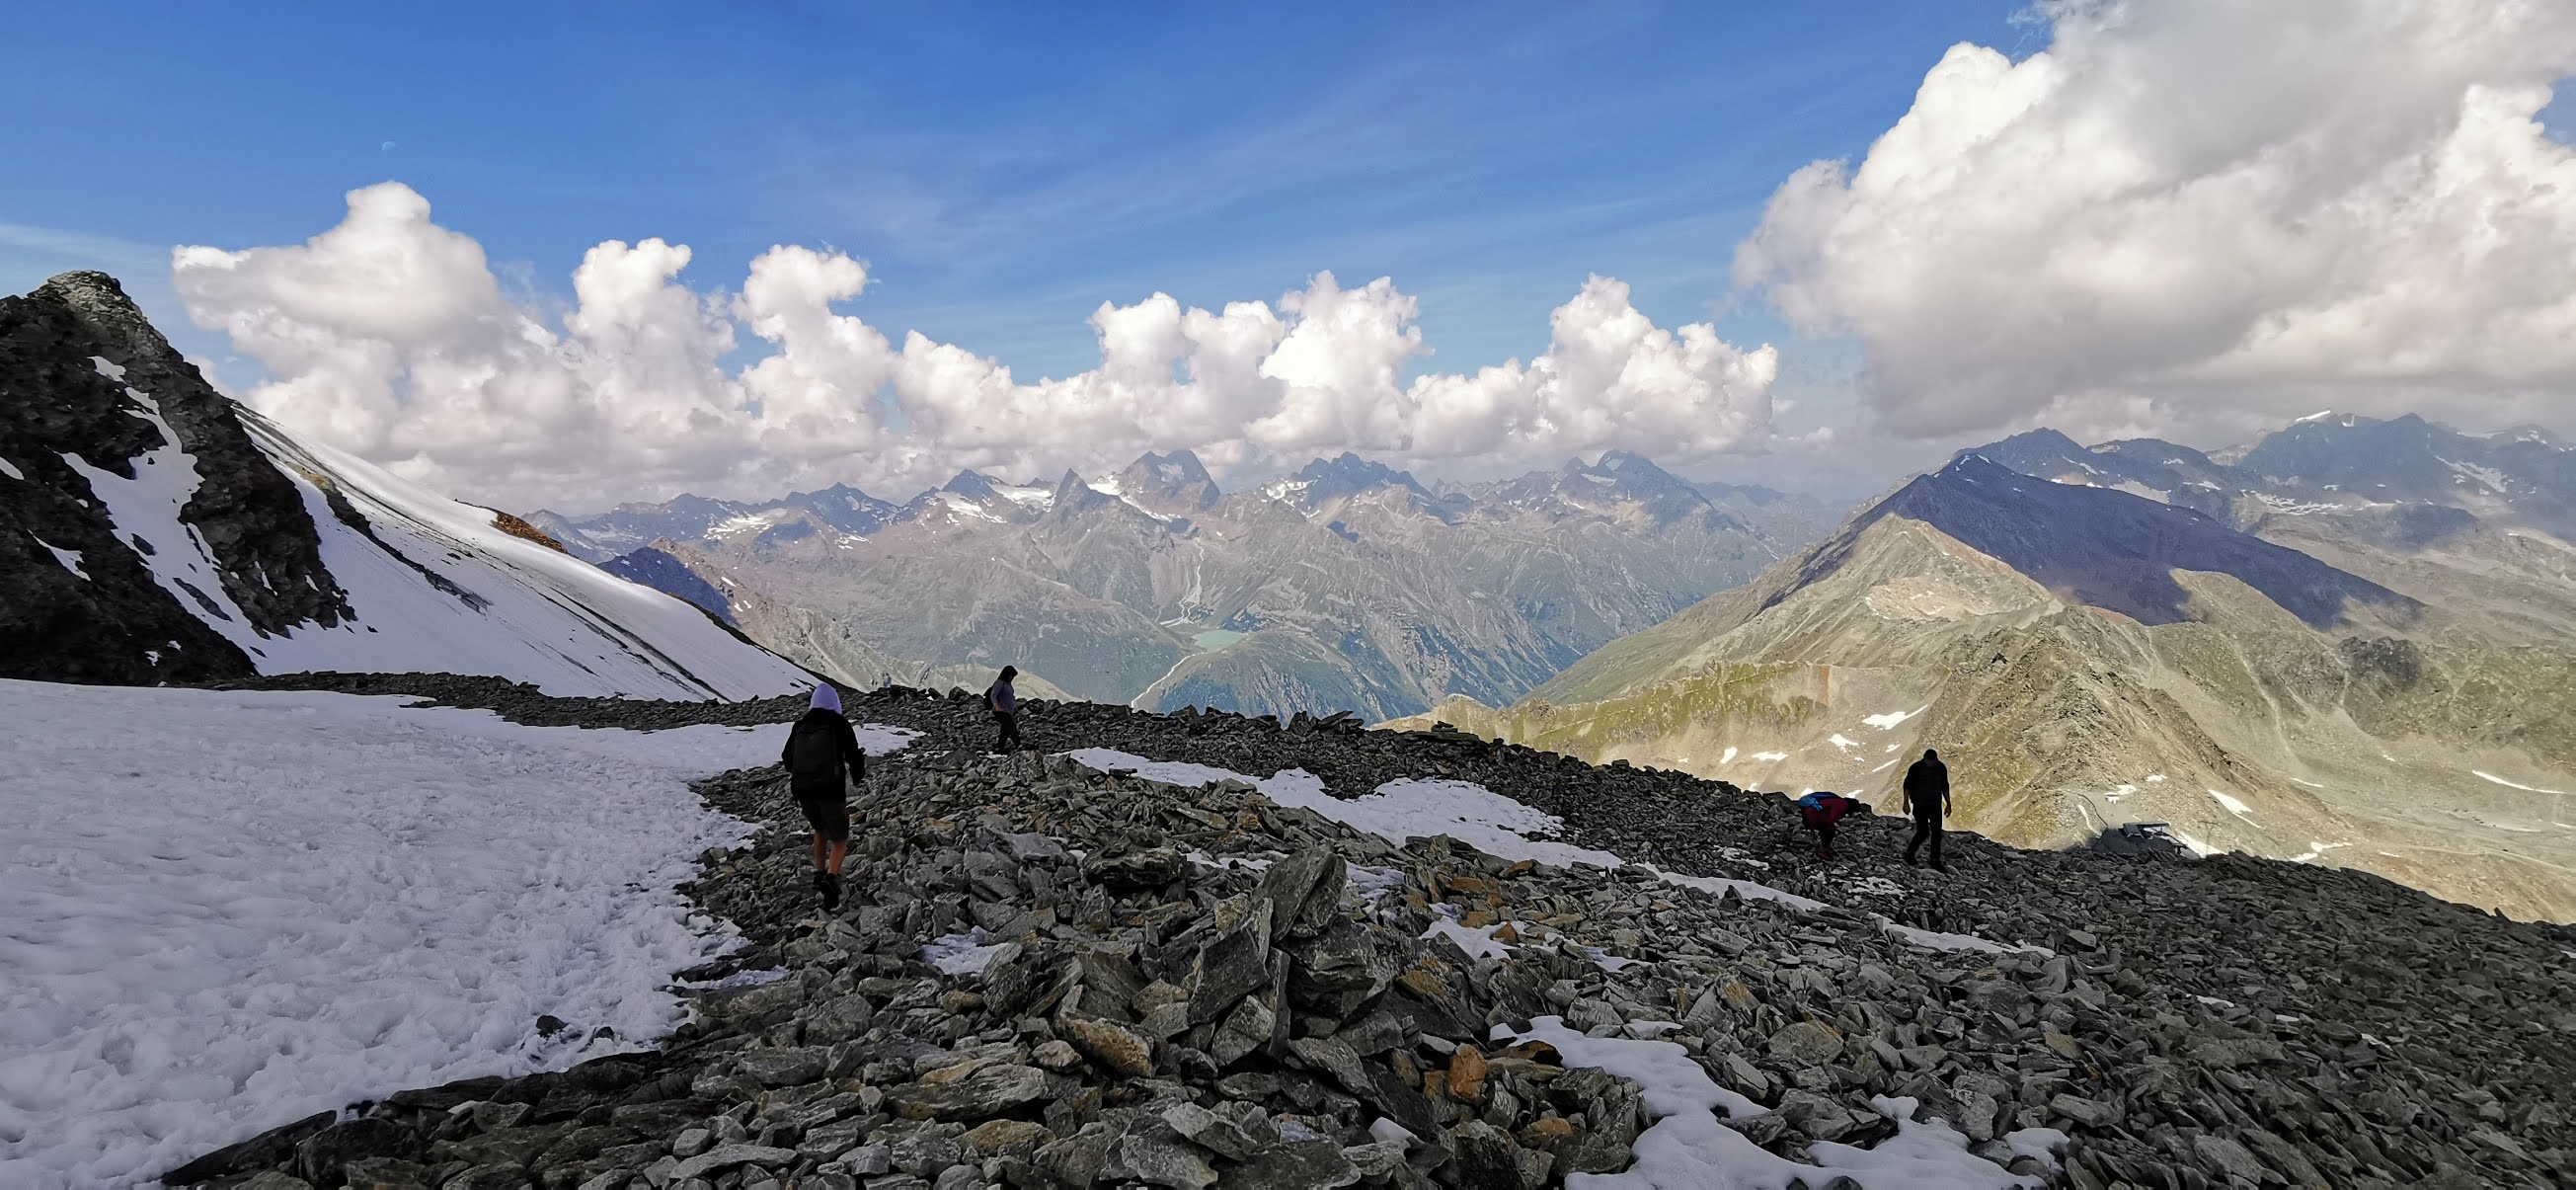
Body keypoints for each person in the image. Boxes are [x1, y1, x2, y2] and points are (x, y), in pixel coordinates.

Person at [782, 682, 865, 911]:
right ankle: (832, 878)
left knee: (819, 829)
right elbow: (853, 755)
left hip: (803, 789)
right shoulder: (839, 724)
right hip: (831, 789)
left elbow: (787, 758)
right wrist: (858, 777)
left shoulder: (801, 725)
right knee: (839, 838)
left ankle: (819, 873)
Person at [1903, 748, 1952, 871]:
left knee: (1937, 832)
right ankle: (1910, 853)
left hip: (1935, 805)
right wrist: (1906, 803)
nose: (1930, 763)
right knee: (1923, 831)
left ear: (1936, 759)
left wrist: (1948, 804)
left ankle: (1935, 859)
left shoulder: (1940, 768)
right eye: (1928, 761)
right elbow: (1907, 786)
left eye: (1932, 761)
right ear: (1924, 758)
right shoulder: (1916, 768)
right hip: (1919, 805)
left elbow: (1945, 787)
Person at [1795, 790, 1857, 859]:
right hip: (1812, 814)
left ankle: (1825, 846)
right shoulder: (1843, 804)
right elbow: (1832, 817)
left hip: (1809, 812)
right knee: (1829, 830)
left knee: (1826, 828)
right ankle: (1823, 850)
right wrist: (1829, 827)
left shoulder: (1837, 800)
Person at [986, 666, 1022, 753]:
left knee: (1005, 730)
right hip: (1000, 710)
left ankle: (999, 747)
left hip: (1007, 710)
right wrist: (996, 706)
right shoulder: (999, 683)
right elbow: (993, 695)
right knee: (1012, 727)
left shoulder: (1008, 685)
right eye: (1011, 676)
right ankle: (1018, 745)